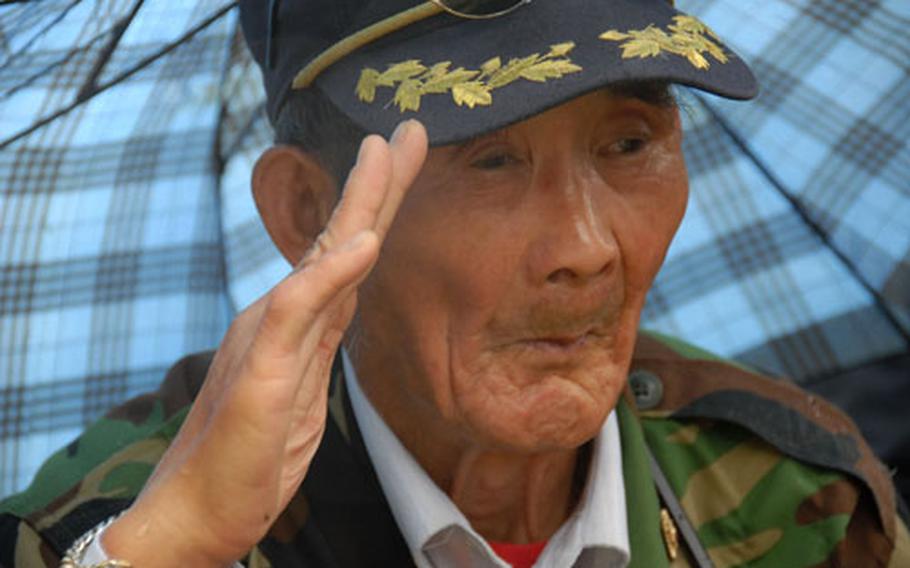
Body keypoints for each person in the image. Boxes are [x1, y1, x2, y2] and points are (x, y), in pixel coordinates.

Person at [1, 0, 908, 566]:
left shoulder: (797, 497)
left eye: (628, 144)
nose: (586, 248)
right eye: (492, 161)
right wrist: (170, 552)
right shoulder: (116, 530)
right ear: (309, 212)